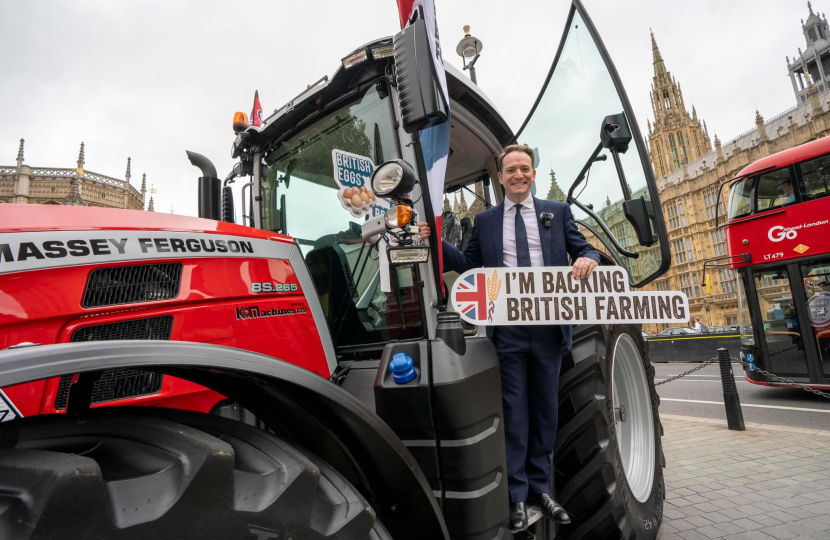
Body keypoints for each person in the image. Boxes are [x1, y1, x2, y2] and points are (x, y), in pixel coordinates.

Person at [419, 144, 599, 531]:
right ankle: (517, 497)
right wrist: (434, 242)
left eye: (524, 168)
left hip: (550, 327)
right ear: (500, 178)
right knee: (515, 414)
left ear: (533, 174)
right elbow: (468, 264)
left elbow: (585, 249)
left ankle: (542, 490)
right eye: (510, 170)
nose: (518, 175)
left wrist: (588, 259)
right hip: (508, 330)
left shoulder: (558, 212)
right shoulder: (485, 221)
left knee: (546, 412)